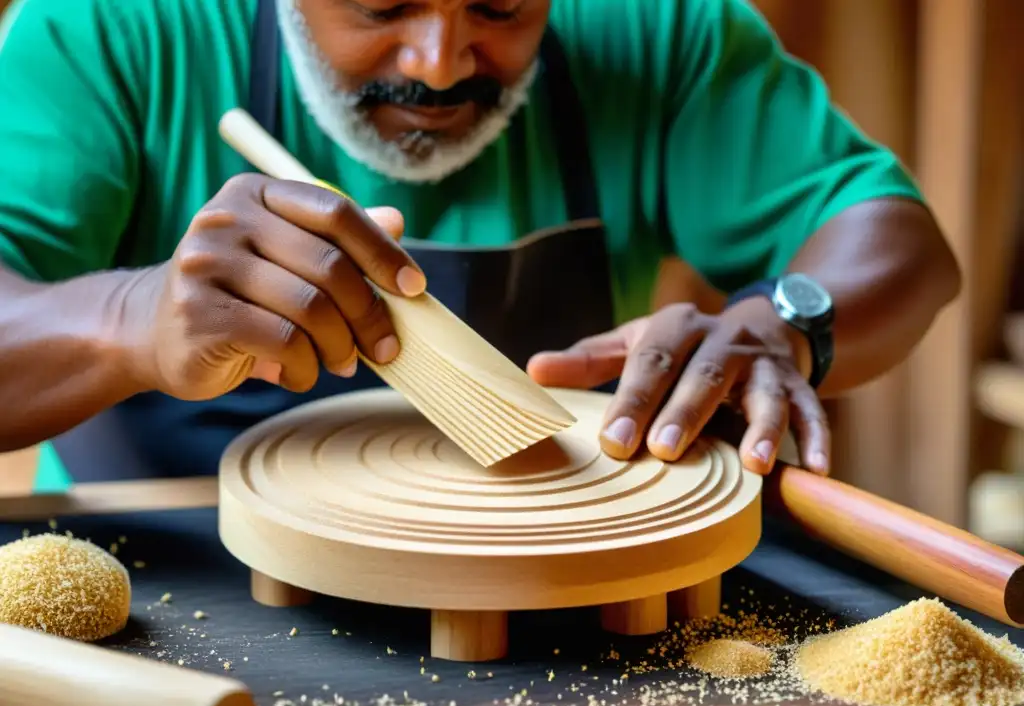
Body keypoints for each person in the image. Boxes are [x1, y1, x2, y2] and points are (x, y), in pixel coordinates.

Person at [0, 0, 960, 491]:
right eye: (381, 8)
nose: (441, 62)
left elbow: (902, 244)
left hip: (541, 588)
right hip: (165, 575)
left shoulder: (651, 25)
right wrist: (131, 318)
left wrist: (781, 323)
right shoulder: (112, 26)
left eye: (501, 8)